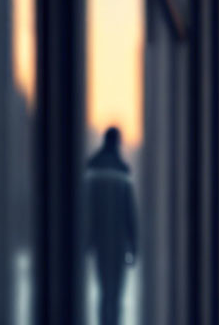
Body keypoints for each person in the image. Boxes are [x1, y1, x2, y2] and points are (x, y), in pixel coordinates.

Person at [85, 126, 138, 325]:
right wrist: (134, 247)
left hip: (100, 244)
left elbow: (87, 211)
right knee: (115, 293)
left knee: (103, 291)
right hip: (118, 244)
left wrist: (86, 242)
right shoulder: (123, 172)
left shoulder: (92, 169)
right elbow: (130, 215)